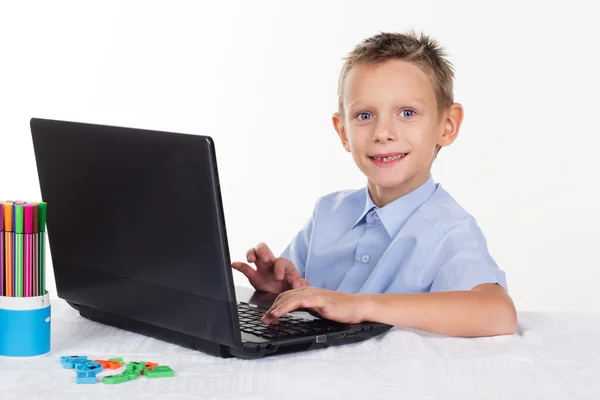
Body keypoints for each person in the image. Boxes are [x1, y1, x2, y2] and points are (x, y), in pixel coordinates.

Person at [232, 31, 517, 337]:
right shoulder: (328, 213)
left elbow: (498, 313)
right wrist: (280, 291)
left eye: (407, 113)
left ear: (446, 126)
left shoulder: (448, 230)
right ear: (343, 132)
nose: (383, 132)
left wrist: (361, 305)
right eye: (364, 115)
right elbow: (304, 294)